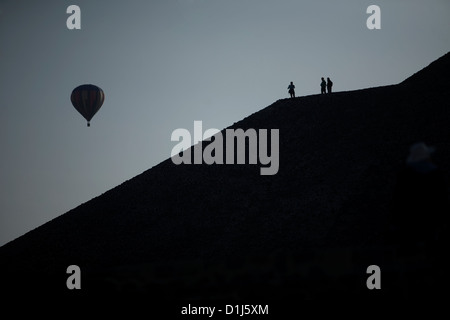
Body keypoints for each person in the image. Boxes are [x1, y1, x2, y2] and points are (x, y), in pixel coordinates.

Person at [391, 142, 449, 257]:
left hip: (410, 220)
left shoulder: (405, 175)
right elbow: (442, 198)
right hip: (432, 218)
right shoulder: (436, 174)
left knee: (410, 252)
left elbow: (399, 199)